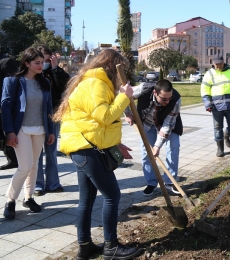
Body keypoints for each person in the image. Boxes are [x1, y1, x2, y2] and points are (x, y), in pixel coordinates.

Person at [53, 49, 141, 260]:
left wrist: (115, 144)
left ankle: (85, 247)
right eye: (121, 70)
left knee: (87, 199)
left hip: (85, 144)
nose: (121, 76)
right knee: (112, 195)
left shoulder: (92, 81)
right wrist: (124, 97)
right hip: (85, 148)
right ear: (112, 67)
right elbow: (105, 116)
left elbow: (92, 122)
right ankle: (111, 246)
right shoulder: (95, 83)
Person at [2, 47, 55, 219]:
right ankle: (10, 200)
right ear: (26, 63)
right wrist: (9, 131)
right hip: (21, 130)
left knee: (34, 165)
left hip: (40, 130)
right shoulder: (12, 81)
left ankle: (28, 197)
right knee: (24, 166)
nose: (41, 65)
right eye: (37, 63)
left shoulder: (45, 82)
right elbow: (6, 107)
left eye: (43, 62)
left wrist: (51, 131)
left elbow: (48, 108)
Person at [124, 79, 183, 197]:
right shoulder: (144, 89)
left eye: (169, 98)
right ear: (155, 93)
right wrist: (127, 113)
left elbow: (167, 126)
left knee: (173, 147)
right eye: (164, 99)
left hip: (167, 124)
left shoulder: (175, 100)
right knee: (146, 152)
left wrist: (157, 146)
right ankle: (151, 183)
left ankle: (170, 182)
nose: (167, 101)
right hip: (147, 123)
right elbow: (125, 96)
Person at [34, 45, 70, 196]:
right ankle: (37, 185)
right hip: (34, 117)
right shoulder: (32, 73)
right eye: (41, 60)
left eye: (48, 59)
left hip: (52, 115)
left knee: (51, 151)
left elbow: (65, 87)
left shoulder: (56, 72)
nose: (44, 63)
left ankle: (53, 183)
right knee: (36, 153)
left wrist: (55, 69)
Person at [201, 54, 230, 157]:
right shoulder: (209, 74)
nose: (218, 66)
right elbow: (204, 89)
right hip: (216, 106)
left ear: (224, 62)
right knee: (217, 127)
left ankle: (227, 135)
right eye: (216, 64)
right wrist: (207, 104)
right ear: (213, 63)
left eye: (220, 64)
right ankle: (220, 149)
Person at [0, 56, 19, 170]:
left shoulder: (7, 62)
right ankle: (13, 159)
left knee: (3, 134)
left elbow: (12, 85)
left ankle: (14, 159)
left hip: (4, 106)